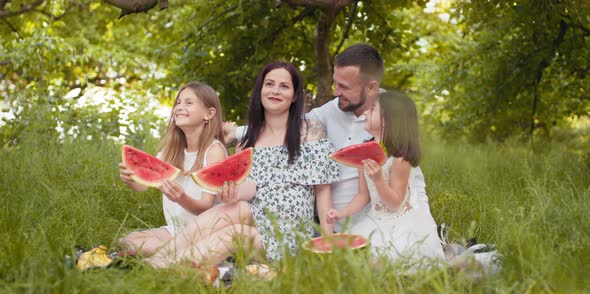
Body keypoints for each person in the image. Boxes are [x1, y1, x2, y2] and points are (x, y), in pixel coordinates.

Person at [144, 61, 339, 269]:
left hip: (289, 234)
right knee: (233, 208)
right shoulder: (247, 141)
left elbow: (323, 193)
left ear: (295, 95)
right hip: (254, 218)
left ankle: (163, 270)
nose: (275, 90)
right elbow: (251, 188)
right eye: (269, 84)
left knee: (232, 233)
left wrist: (327, 245)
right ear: (260, 90)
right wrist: (230, 193)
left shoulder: (311, 132)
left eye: (284, 86)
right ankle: (155, 263)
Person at [225, 43, 431, 233]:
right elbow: (286, 125)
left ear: (371, 88)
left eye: (344, 87)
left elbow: (409, 184)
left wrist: (419, 226)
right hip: (327, 222)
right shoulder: (329, 111)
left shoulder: (393, 118)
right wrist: (237, 133)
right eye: (335, 83)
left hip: (374, 223)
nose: (335, 91)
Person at [326, 91, 444, 264]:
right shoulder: (365, 151)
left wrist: (379, 180)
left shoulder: (399, 159)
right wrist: (341, 213)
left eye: (372, 109)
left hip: (401, 223)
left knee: (389, 261)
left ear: (388, 119)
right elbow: (363, 196)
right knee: (352, 259)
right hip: (375, 219)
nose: (365, 112)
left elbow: (395, 203)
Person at [117, 82, 228, 256]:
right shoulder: (171, 151)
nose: (180, 107)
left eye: (189, 103)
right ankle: (178, 253)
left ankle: (186, 253)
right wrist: (131, 178)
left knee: (140, 247)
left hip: (202, 231)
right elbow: (142, 186)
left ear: (209, 113)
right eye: (178, 102)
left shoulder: (214, 151)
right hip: (175, 229)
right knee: (124, 240)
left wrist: (180, 198)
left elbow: (206, 207)